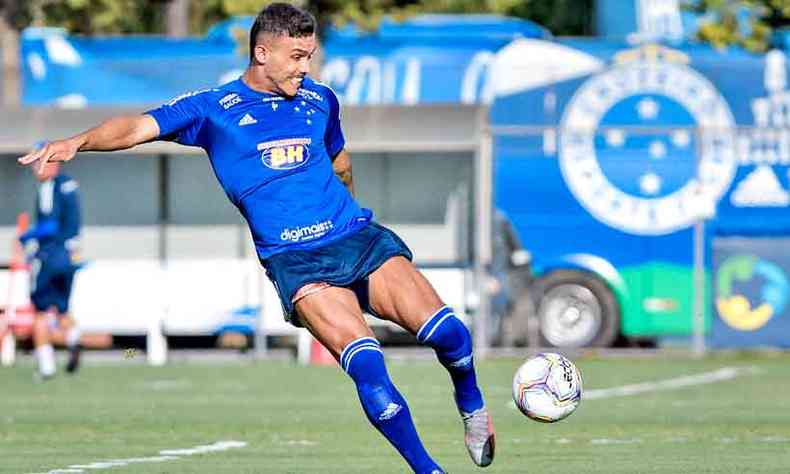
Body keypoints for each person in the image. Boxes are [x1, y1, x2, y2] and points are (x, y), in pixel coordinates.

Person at [18, 4, 494, 471]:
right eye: (297, 57)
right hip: (296, 260)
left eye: (310, 56)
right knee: (368, 367)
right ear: (262, 53)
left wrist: (348, 204)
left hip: (355, 236)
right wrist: (76, 141)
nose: (305, 68)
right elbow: (136, 127)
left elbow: (341, 162)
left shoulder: (320, 100)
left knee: (450, 332)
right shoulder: (212, 109)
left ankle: (470, 401)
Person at [19, 161, 83, 379]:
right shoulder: (70, 184)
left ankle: (46, 368)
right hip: (69, 256)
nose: (35, 169)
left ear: (52, 164)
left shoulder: (51, 186)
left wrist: (25, 237)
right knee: (63, 309)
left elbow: (50, 225)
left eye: (39, 163)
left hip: (50, 255)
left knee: (39, 311)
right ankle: (74, 340)